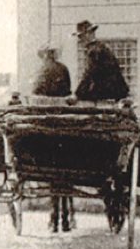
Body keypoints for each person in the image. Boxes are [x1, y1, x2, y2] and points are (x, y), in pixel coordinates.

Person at [32, 46, 75, 232]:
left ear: (44, 56)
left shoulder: (40, 70)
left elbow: (35, 92)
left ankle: (55, 217)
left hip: (45, 122)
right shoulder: (63, 69)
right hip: (64, 121)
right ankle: (64, 217)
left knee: (53, 178)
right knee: (65, 175)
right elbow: (68, 91)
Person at [73, 21, 130, 101]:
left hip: (109, 92)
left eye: (81, 36)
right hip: (118, 90)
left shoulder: (93, 50)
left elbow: (90, 73)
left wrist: (77, 95)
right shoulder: (101, 46)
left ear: (87, 34)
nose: (80, 39)